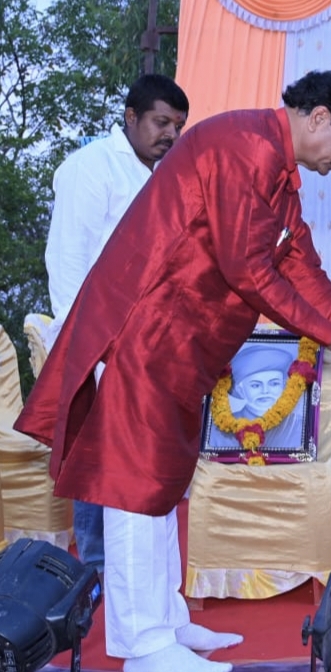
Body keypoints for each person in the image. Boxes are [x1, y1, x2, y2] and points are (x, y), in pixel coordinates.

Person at [15, 71, 331, 672]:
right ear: (319, 118)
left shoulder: (276, 168)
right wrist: (330, 333)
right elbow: (248, 268)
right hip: (141, 329)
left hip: (178, 342)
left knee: (159, 483)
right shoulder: (244, 146)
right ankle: (141, 644)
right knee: (131, 487)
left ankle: (166, 620)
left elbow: (299, 264)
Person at [43, 73, 189, 576]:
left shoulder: (162, 175)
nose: (170, 134)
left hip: (148, 345)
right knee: (97, 455)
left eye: (178, 126)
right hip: (97, 341)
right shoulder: (91, 168)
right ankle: (98, 572)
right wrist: (83, 347)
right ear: (130, 117)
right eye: (161, 122)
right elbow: (67, 260)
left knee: (138, 458)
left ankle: (138, 572)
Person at [208, 344, 306, 449]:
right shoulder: (219, 430)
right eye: (256, 385)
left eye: (274, 384)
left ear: (283, 386)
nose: (265, 391)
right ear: (240, 390)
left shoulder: (298, 427)